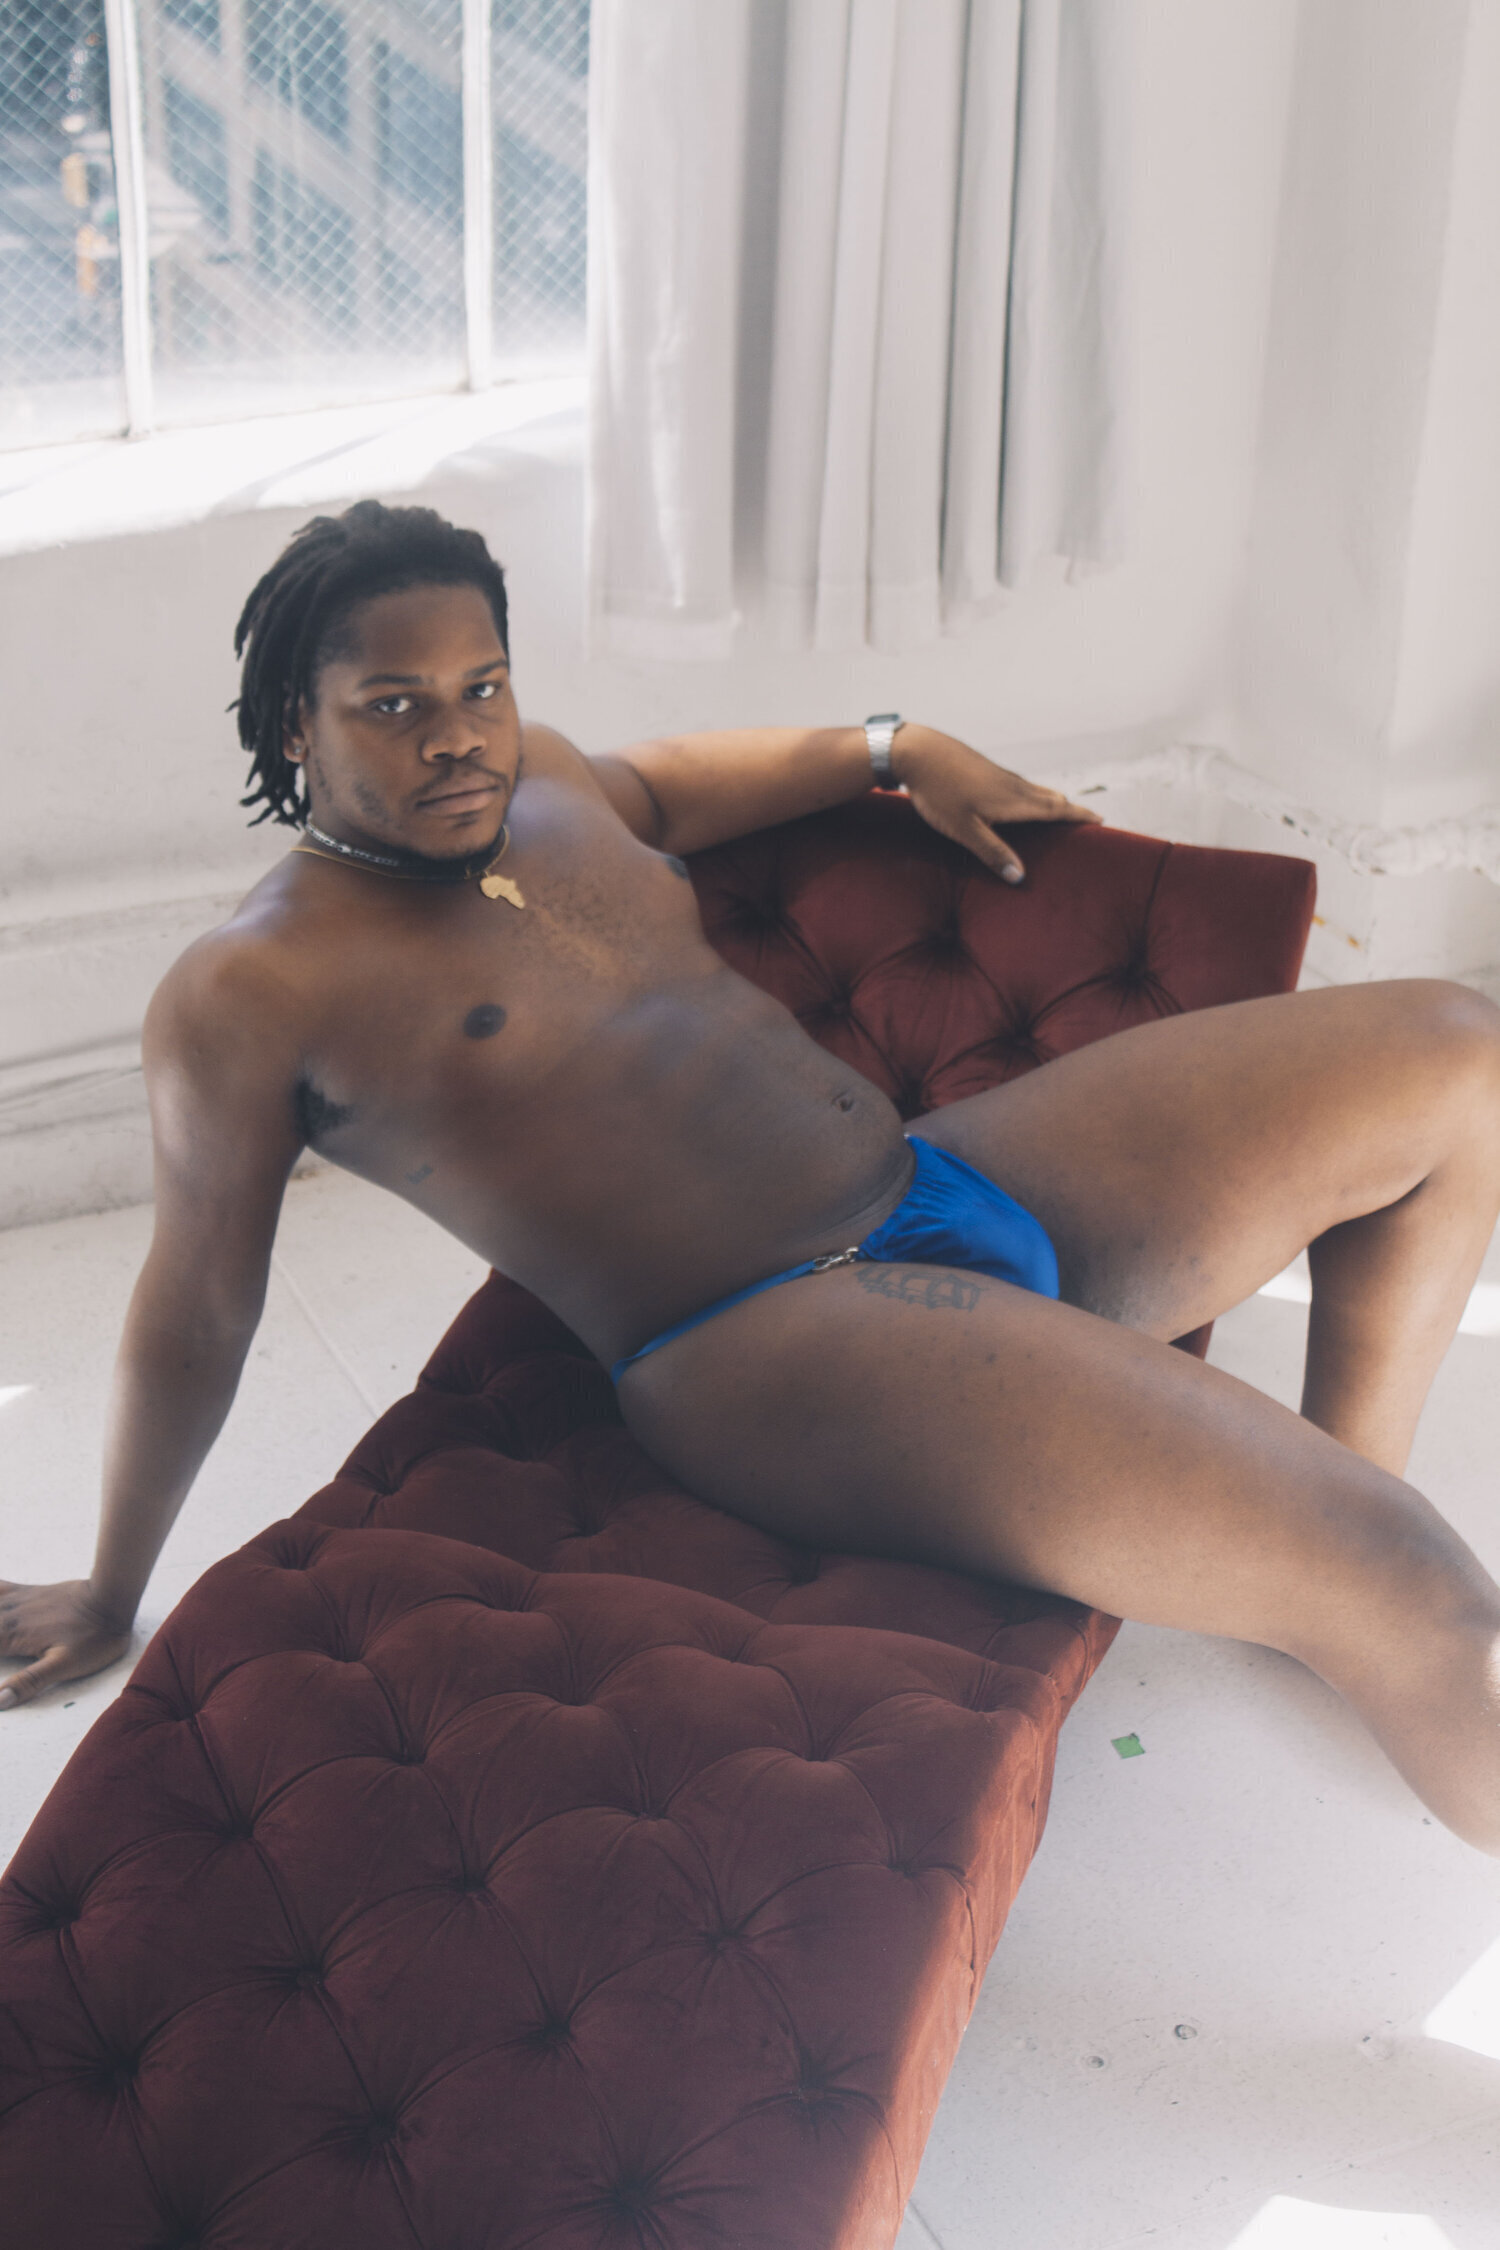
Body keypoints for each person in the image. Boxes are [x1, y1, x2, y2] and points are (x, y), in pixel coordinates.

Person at [3, 501, 1499, 1854]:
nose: (457, 736)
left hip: (932, 1182)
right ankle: (1358, 1577)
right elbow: (197, 1306)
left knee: (1460, 1051)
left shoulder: (549, 784)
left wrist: (891, 746)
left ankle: (1328, 1525)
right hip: (770, 1342)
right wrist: (110, 1587)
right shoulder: (248, 991)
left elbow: (669, 787)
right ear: (295, 729)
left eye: (481, 687)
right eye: (394, 705)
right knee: (1411, 1575)